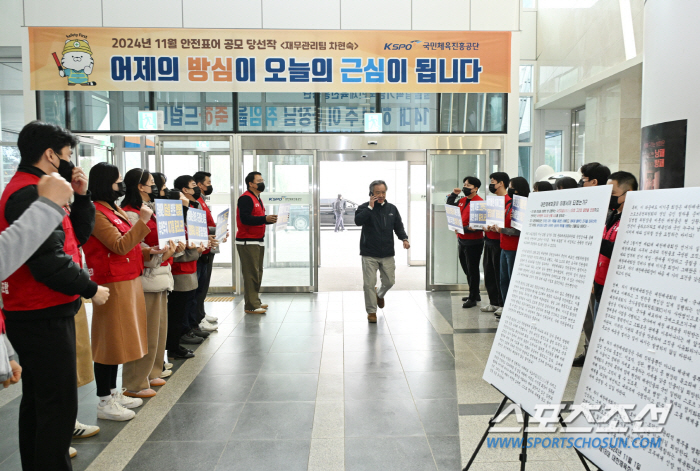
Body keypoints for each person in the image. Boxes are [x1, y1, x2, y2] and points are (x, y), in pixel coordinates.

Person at [0, 121, 109, 470]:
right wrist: (90, 289)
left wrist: (80, 196)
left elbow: (73, 237)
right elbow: (48, 261)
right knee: (57, 407)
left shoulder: (41, 191)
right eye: (67, 155)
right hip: (40, 311)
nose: (70, 162)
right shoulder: (30, 193)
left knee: (40, 401)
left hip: (42, 309)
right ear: (50, 155)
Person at [83, 162, 158, 419]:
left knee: (121, 339)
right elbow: (118, 245)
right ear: (105, 183)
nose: (121, 186)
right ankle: (104, 400)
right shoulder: (95, 212)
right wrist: (143, 222)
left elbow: (131, 245)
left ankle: (114, 392)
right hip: (111, 282)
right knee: (109, 341)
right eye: (117, 182)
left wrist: (150, 251)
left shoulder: (112, 208)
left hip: (128, 279)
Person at [1, 173, 75, 389]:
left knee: (43, 395)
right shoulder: (24, 192)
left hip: (49, 305)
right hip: (40, 307)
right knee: (53, 399)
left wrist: (4, 349)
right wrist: (47, 206)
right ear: (51, 154)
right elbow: (41, 257)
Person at [121, 168, 181, 391]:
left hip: (161, 274)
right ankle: (137, 380)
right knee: (145, 331)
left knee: (158, 329)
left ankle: (153, 371)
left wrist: (172, 247)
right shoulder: (130, 212)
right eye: (152, 184)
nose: (156, 188)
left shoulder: (149, 210)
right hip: (147, 276)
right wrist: (160, 253)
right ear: (139, 186)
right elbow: (137, 245)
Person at [572, 161, 611, 367]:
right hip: (584, 267)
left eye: (584, 180)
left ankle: (594, 355)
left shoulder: (606, 209)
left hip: (599, 272)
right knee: (586, 316)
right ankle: (588, 352)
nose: (581, 183)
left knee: (595, 316)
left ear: (594, 182)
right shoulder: (586, 202)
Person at [355, 180, 409, 323]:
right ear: (371, 193)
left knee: (390, 281)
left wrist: (404, 238)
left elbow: (398, 226)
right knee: (368, 284)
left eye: (383, 192)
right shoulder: (363, 207)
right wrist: (370, 207)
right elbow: (358, 221)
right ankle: (371, 312)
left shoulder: (392, 209)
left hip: (387, 253)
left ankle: (380, 294)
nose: (381, 195)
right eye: (377, 192)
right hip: (369, 253)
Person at [594, 172, 637, 313]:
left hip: (616, 288)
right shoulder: (612, 214)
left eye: (612, 193)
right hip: (600, 282)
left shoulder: (635, 218)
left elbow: (622, 251)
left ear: (629, 193)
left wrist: (594, 241)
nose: (609, 197)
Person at [236, 172, 276, 314]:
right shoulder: (246, 198)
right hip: (247, 241)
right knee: (251, 273)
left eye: (262, 179)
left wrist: (268, 220)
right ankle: (251, 305)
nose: (262, 182)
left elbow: (257, 218)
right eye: (259, 180)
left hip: (257, 240)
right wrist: (265, 219)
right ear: (251, 184)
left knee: (257, 272)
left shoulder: (257, 198)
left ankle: (255, 301)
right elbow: (245, 219)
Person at [492, 176, 530, 318]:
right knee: (504, 280)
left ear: (518, 189)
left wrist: (502, 230)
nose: (509, 189)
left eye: (512, 187)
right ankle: (506, 307)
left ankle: (514, 310)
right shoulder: (509, 204)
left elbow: (520, 230)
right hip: (504, 246)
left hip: (514, 248)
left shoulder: (523, 206)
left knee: (512, 280)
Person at [447, 177, 484, 308]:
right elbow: (450, 207)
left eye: (468, 185)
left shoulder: (479, 202)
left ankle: (473, 297)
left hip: (474, 241)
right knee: (466, 268)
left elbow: (479, 225)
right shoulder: (462, 200)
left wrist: (464, 229)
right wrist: (453, 194)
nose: (465, 186)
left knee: (473, 270)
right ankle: (475, 293)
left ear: (475, 188)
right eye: (464, 184)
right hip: (462, 240)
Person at [192, 171, 220, 331]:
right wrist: (214, 230)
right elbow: (198, 226)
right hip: (201, 246)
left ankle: (201, 313)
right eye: (208, 183)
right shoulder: (196, 202)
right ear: (199, 185)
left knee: (204, 284)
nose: (210, 185)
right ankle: (197, 318)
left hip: (208, 245)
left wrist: (217, 230)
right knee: (198, 286)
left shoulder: (202, 200)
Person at [482, 172, 510, 316]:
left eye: (493, 182)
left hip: (500, 242)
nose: (491, 185)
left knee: (500, 274)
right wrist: (483, 225)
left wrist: (499, 227)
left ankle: (501, 303)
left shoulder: (509, 201)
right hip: (488, 239)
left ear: (501, 183)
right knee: (489, 272)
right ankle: (493, 302)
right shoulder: (491, 202)